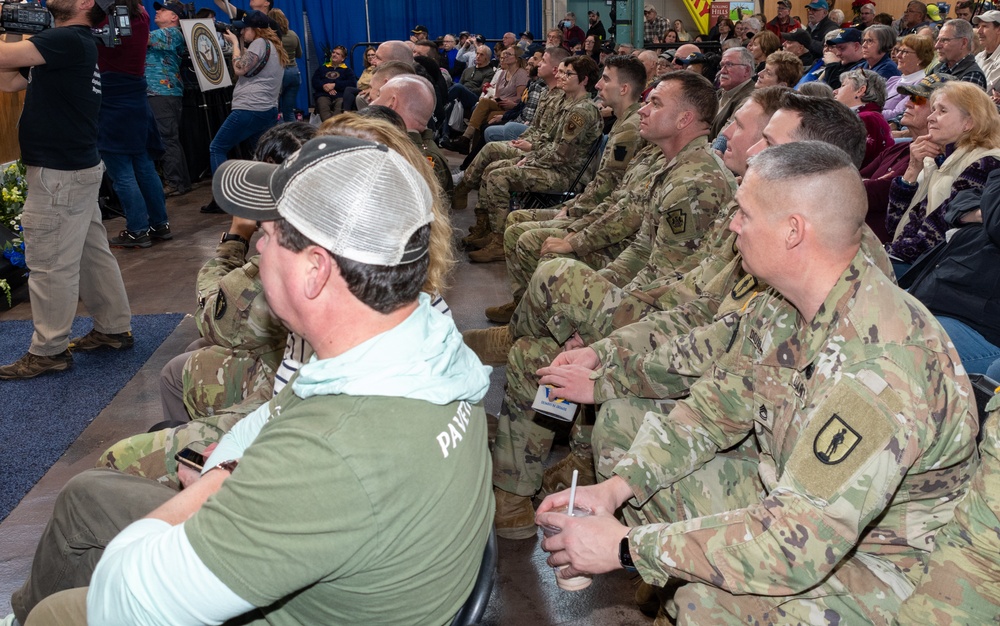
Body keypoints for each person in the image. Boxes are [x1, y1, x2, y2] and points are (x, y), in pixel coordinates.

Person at [6, 134, 493, 626]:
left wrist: (214, 484)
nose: (257, 245)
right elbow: (277, 416)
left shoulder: (328, 453)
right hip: (352, 560)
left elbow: (124, 593)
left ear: (315, 271)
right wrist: (231, 470)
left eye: (270, 235)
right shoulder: (421, 344)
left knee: (56, 614)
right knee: (86, 496)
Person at [536, 140, 979, 624]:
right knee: (633, 440)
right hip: (797, 498)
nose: (732, 225)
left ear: (793, 232)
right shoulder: (784, 303)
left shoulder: (884, 368)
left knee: (706, 607)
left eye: (744, 214)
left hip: (882, 561)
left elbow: (798, 543)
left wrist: (626, 547)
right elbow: (713, 409)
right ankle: (678, 579)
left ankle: (684, 594)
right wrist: (616, 490)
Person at [472, 71, 739, 537]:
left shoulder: (697, 181)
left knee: (554, 283)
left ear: (685, 118)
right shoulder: (666, 163)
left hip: (671, 325)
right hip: (652, 306)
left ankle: (514, 493)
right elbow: (641, 252)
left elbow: (675, 286)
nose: (644, 109)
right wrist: (599, 304)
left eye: (655, 103)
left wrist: (604, 328)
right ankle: (513, 500)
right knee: (541, 343)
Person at [0, 0, 133, 380]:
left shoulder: (67, 38)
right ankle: (112, 328)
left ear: (86, 4)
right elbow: (8, 79)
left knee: (49, 265)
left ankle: (49, 350)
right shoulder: (66, 44)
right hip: (74, 169)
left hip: (59, 172)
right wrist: (13, 28)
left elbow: (6, 56)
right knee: (91, 254)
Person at [485, 54, 648, 323]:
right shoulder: (622, 122)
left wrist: (573, 211)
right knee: (515, 220)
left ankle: (532, 318)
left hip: (585, 197)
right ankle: (522, 305)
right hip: (592, 202)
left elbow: (610, 188)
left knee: (524, 236)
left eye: (605, 79)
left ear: (624, 88)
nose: (598, 85)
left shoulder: (630, 129)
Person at [465, 55, 602, 262]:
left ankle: (500, 241)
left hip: (566, 173)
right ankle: (489, 231)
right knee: (492, 169)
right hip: (551, 164)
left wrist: (531, 159)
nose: (561, 76)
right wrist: (532, 156)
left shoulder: (581, 112)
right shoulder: (568, 103)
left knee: (499, 177)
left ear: (583, 80)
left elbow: (561, 154)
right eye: (562, 72)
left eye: (568, 74)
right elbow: (548, 140)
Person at [887, 80, 1000, 273]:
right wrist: (913, 170)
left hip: (932, 271)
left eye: (942, 111)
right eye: (932, 110)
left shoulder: (985, 163)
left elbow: (939, 231)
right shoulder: (936, 159)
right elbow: (894, 226)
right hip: (912, 262)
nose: (930, 117)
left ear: (969, 122)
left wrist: (886, 255)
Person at [898, 169, 1000, 374]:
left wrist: (985, 212)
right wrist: (983, 212)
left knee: (887, 343)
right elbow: (957, 204)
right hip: (935, 291)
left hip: (976, 321)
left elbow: (997, 223)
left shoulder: (987, 160)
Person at [93, 0, 171, 250]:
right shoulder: (141, 15)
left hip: (112, 97)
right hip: (136, 96)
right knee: (144, 166)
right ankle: (160, 223)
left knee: (122, 171)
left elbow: (105, 39)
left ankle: (137, 230)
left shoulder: (106, 20)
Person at [201, 10, 286, 214]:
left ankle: (222, 199)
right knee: (259, 154)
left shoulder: (259, 43)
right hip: (267, 109)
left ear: (254, 30)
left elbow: (240, 68)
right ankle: (270, 193)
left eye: (245, 29)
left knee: (217, 147)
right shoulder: (275, 46)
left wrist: (235, 46)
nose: (242, 32)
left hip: (250, 107)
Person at [863, 74, 952, 242]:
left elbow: (868, 194)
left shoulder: (935, 160)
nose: (907, 103)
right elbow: (851, 178)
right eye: (909, 97)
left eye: (918, 99)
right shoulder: (900, 148)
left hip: (884, 252)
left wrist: (860, 183)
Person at [444, 48, 528, 154]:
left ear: (516, 59)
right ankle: (470, 149)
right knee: (486, 109)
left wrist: (507, 101)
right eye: (504, 53)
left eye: (508, 54)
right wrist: (497, 99)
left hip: (512, 107)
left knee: (487, 111)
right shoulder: (502, 73)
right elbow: (497, 94)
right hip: (499, 103)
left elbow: (521, 97)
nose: (505, 56)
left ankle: (467, 143)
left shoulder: (521, 74)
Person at [146, 0, 191, 199]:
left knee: (167, 138)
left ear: (174, 17)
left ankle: (174, 182)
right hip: (159, 93)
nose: (158, 13)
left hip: (163, 92)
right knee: (168, 138)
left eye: (163, 10)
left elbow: (142, 38)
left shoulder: (172, 33)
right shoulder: (163, 34)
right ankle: (180, 181)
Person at [834, 68, 893, 166]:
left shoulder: (866, 119)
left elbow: (847, 161)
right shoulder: (869, 116)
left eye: (843, 86)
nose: (835, 91)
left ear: (860, 90)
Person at [883, 34, 935, 121]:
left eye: (905, 52)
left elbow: (897, 114)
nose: (898, 55)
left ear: (920, 58)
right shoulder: (893, 80)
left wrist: (867, 112)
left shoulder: (922, 86)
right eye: (899, 51)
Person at [711, 47, 755, 139]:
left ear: (746, 70)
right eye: (722, 65)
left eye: (729, 65)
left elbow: (725, 138)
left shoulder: (751, 98)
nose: (722, 71)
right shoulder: (719, 93)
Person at [929, 18, 987, 88]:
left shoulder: (972, 75)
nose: (937, 46)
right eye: (938, 40)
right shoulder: (939, 67)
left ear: (963, 43)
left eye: (944, 40)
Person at [268, 8, 301, 123]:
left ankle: (275, 137)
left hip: (278, 72)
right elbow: (299, 54)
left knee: (273, 111)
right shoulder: (293, 35)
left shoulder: (270, 38)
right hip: (293, 72)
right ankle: (294, 136)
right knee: (289, 111)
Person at [311, 45, 356, 121]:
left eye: (338, 54)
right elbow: (314, 81)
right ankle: (329, 127)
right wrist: (324, 86)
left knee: (340, 105)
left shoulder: (347, 70)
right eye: (333, 52)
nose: (334, 54)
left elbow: (352, 83)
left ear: (343, 58)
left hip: (340, 96)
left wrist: (335, 85)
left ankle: (332, 127)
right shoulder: (322, 68)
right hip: (323, 94)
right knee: (323, 104)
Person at [974, 10, 1000, 96]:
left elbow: (983, 91)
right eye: (978, 26)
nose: (979, 31)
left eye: (984, 26)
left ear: (998, 30)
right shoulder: (978, 57)